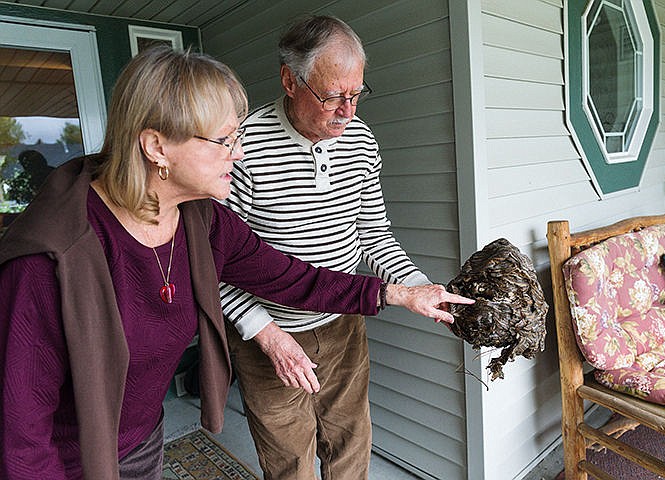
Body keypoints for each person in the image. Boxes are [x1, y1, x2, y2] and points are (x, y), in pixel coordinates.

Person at [0, 46, 472, 480]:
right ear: (156, 147)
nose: (239, 154)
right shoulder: (49, 260)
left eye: (238, 137)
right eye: (224, 141)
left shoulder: (202, 221)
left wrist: (400, 292)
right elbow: (22, 432)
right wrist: (268, 334)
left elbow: (292, 279)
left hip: (142, 438)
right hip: (66, 458)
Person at [219, 15, 449, 480]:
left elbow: (373, 234)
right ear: (289, 80)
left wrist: (419, 287)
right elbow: (218, 263)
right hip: (271, 336)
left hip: (344, 325)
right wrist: (268, 336)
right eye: (331, 96)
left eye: (356, 94)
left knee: (350, 446)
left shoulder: (360, 140)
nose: (347, 112)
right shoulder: (242, 147)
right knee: (290, 464)